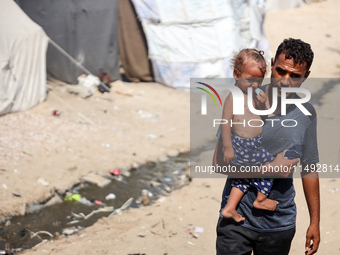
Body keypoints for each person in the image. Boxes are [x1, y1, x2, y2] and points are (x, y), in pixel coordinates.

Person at [213, 38, 320, 255]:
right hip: (236, 222)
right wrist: (270, 169)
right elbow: (217, 163)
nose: (285, 81)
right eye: (281, 71)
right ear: (272, 64)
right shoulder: (242, 99)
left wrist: (315, 222)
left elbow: (309, 168)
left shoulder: (306, 114)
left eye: (295, 76)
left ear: (306, 76)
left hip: (279, 223)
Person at [220, 49, 303, 223]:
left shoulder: (254, 95)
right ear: (236, 74)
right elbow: (225, 123)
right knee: (272, 166)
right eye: (250, 80)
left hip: (254, 144)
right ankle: (261, 199)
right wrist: (228, 147)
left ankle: (230, 207)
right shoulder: (233, 97)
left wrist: (263, 104)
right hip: (243, 145)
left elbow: (264, 116)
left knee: (243, 180)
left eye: (259, 81)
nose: (255, 85)